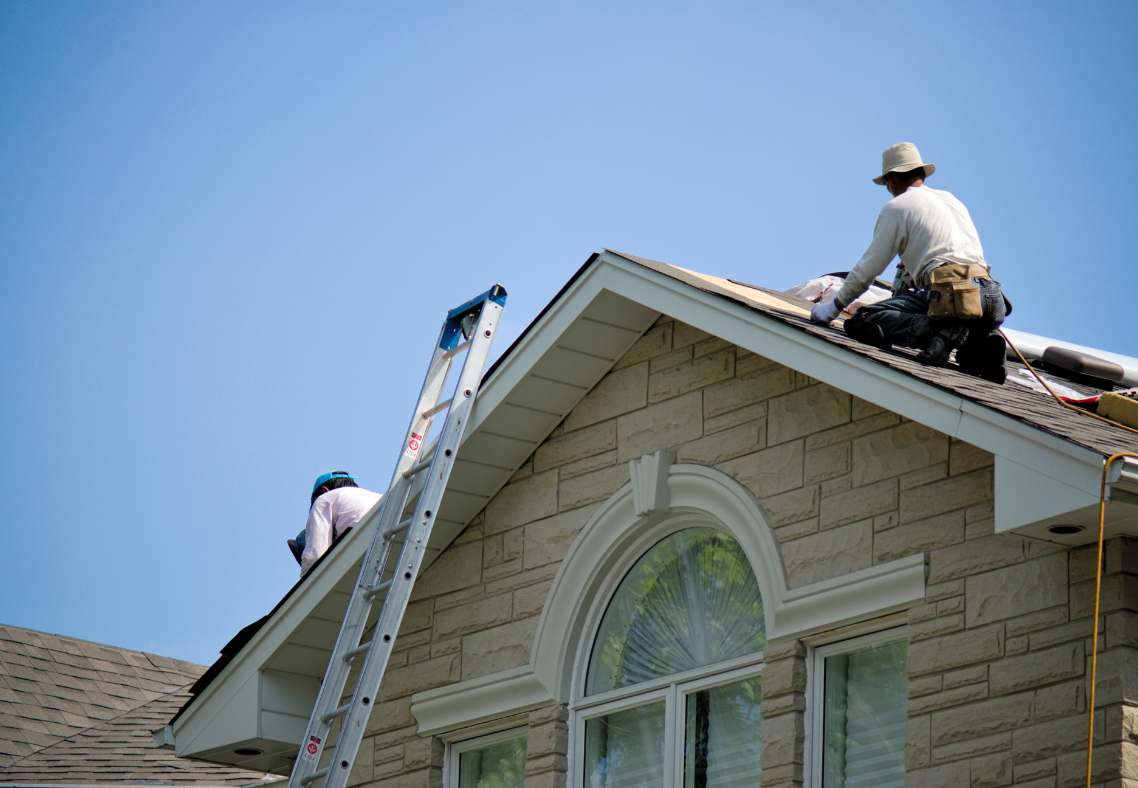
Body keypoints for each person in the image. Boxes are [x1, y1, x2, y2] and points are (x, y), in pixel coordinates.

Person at [809, 143, 1008, 384]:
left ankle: (939, 333)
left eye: (886, 184)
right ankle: (980, 342)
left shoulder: (898, 207)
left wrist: (833, 308)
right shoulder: (951, 200)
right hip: (990, 298)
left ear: (892, 179)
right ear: (921, 173)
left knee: (866, 318)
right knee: (968, 359)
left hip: (950, 295)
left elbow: (868, 269)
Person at [289, 471, 382, 577]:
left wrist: (307, 582)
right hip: (385, 536)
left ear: (325, 491)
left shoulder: (324, 498)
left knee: (302, 539)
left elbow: (315, 554)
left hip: (362, 542)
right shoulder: (374, 495)